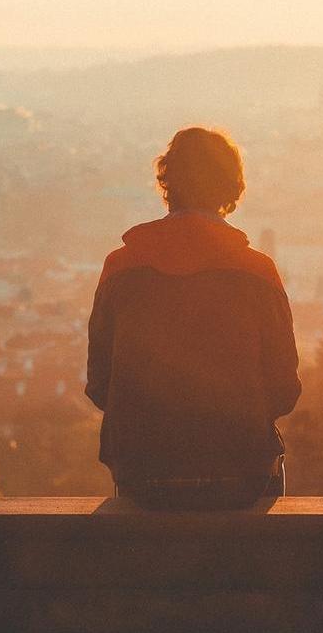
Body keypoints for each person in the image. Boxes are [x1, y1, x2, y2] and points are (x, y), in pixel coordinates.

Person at [85, 127, 301, 510]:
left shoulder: (120, 267)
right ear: (231, 187)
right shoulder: (258, 272)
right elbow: (284, 387)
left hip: (144, 477)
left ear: (168, 183)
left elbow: (100, 383)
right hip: (240, 475)